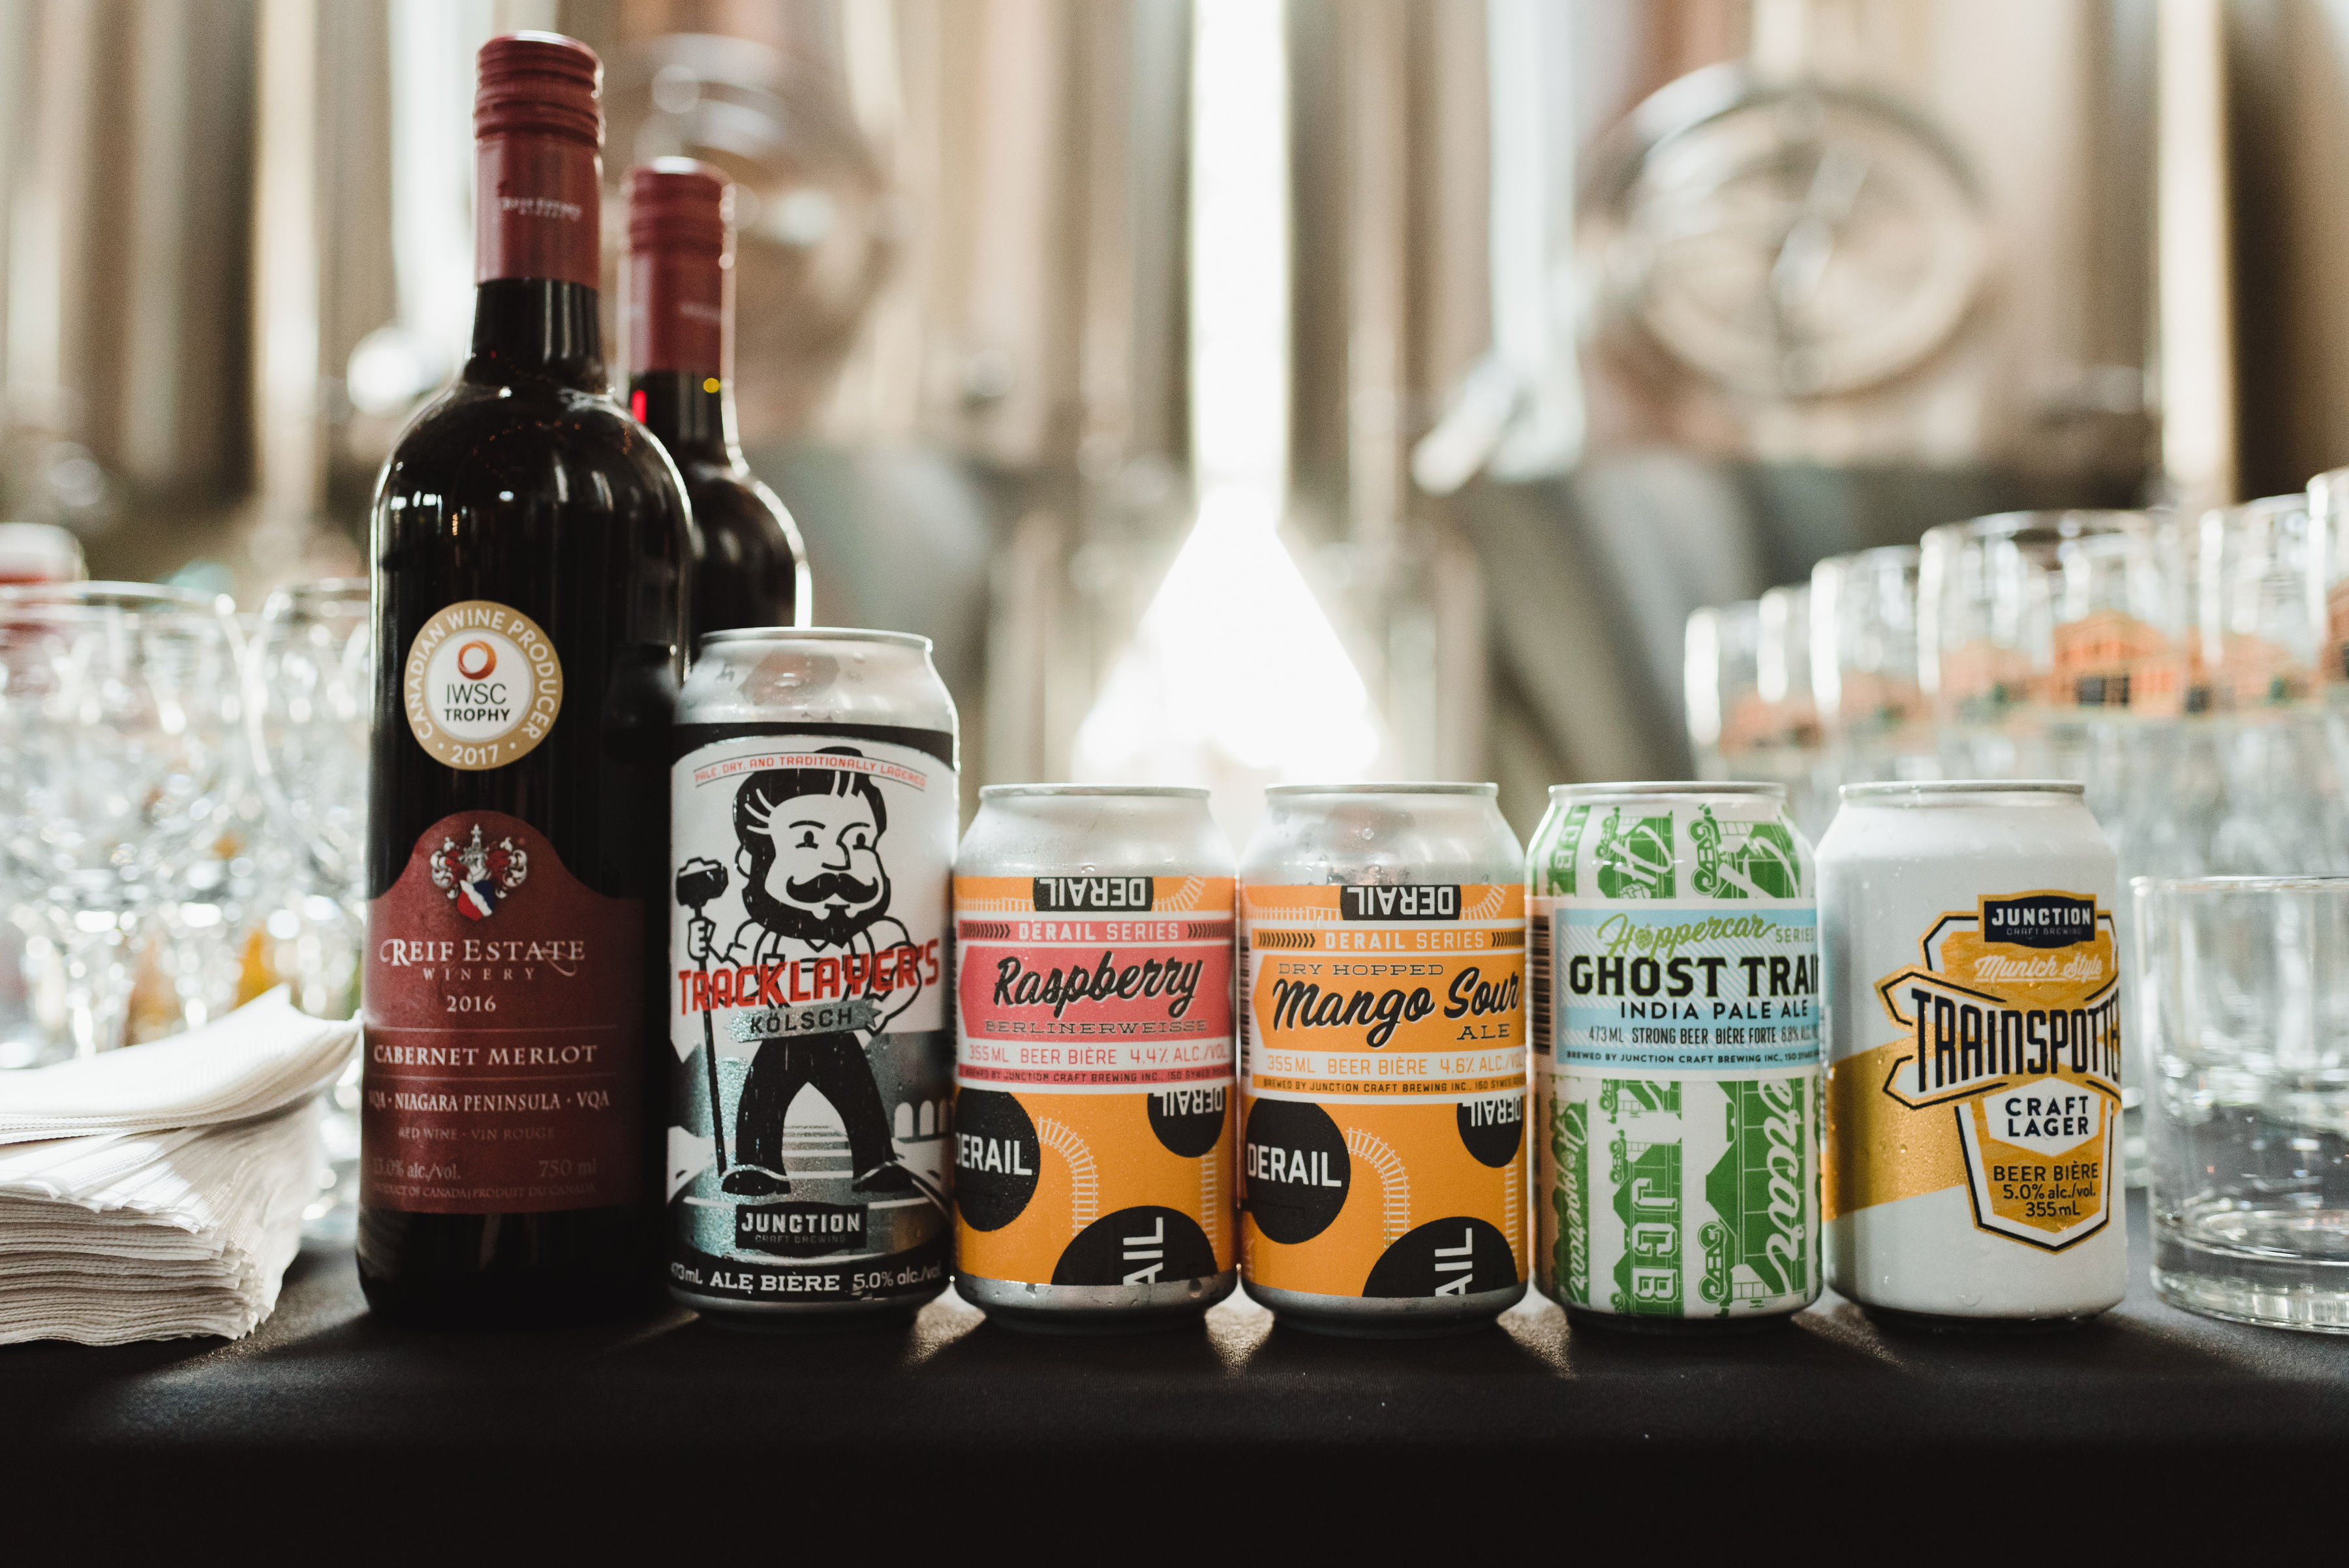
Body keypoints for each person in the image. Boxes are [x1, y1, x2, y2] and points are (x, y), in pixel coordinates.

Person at [686, 749, 925, 1198]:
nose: (838, 859)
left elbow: (907, 975)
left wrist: (877, 1011)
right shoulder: (762, 940)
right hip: (780, 1034)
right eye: (809, 840)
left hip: (840, 1033)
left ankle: (875, 1163)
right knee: (762, 1095)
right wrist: (705, 946)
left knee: (861, 1099)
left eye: (858, 841)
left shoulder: (877, 936)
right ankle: (758, 1163)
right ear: (752, 862)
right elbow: (730, 969)